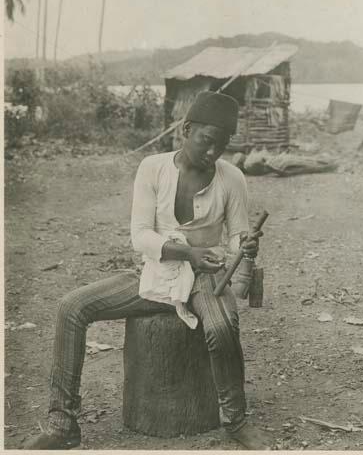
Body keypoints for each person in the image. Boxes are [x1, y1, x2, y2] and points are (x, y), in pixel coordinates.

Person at [25, 91, 273, 450]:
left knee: (221, 326)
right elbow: (140, 236)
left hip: (206, 279)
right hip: (158, 274)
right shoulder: (152, 168)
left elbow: (236, 238)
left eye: (221, 145)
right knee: (72, 307)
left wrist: (244, 247)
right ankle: (62, 425)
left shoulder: (231, 177)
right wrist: (187, 251)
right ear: (186, 130)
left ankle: (235, 420)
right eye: (206, 141)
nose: (212, 153)